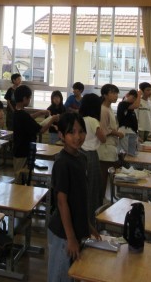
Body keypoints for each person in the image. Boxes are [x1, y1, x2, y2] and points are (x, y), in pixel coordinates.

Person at [47, 112, 100, 282]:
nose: (77, 137)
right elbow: (62, 202)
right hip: (63, 234)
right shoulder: (62, 163)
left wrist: (87, 224)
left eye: (81, 131)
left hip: (75, 229)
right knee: (59, 276)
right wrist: (70, 238)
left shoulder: (82, 158)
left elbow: (79, 198)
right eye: (71, 132)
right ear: (61, 135)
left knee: (71, 275)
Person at [12, 85, 50, 183]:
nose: (30, 100)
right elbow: (41, 130)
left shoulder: (17, 112)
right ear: (25, 98)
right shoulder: (23, 115)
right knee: (20, 179)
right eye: (29, 98)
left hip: (19, 149)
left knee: (21, 176)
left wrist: (40, 113)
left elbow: (28, 118)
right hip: (23, 151)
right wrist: (52, 120)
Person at [79, 93, 106, 224]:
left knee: (83, 187)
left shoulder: (80, 118)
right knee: (93, 187)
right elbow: (103, 138)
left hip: (79, 153)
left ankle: (83, 217)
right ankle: (91, 219)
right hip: (91, 155)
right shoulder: (93, 120)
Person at [98, 84, 122, 199]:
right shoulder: (103, 109)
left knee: (108, 177)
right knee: (103, 177)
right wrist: (117, 133)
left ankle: (105, 199)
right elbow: (104, 130)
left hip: (111, 146)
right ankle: (100, 201)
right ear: (105, 95)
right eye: (113, 93)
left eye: (116, 93)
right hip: (105, 147)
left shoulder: (109, 109)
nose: (116, 96)